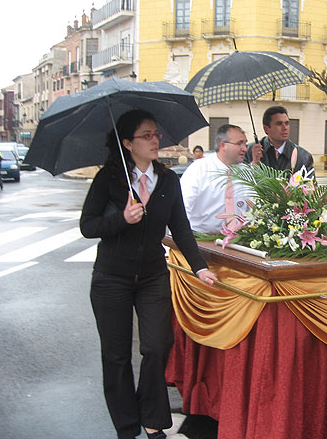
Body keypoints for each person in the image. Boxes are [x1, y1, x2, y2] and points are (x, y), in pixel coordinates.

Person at [80, 110, 217, 439]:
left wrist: (200, 267)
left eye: (156, 133)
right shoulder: (109, 179)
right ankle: (127, 427)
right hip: (111, 277)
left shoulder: (168, 179)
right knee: (115, 355)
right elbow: (88, 226)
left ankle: (152, 417)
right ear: (128, 143)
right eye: (146, 135)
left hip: (153, 275)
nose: (155, 140)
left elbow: (181, 228)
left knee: (157, 346)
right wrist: (121, 219)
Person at [181, 124, 262, 233]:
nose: (244, 148)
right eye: (239, 143)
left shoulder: (246, 172)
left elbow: (256, 207)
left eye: (245, 144)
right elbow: (183, 208)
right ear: (223, 145)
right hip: (201, 241)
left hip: (238, 241)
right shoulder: (198, 169)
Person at [244, 105, 314, 176]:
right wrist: (254, 164)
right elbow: (240, 182)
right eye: (279, 124)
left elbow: (310, 185)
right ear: (266, 129)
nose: (285, 128)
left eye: (287, 123)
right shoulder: (249, 151)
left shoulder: (303, 157)